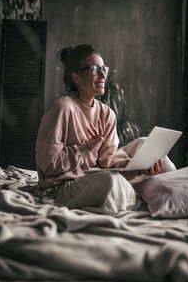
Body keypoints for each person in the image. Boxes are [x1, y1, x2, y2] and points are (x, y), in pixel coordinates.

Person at [35, 44, 176, 213]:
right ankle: (135, 191)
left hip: (97, 173)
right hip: (66, 183)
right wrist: (85, 149)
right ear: (76, 78)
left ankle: (149, 190)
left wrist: (138, 168)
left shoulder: (107, 113)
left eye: (104, 69)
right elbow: (48, 165)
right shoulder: (63, 108)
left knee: (161, 162)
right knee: (112, 182)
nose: (103, 75)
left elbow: (108, 159)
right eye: (94, 69)